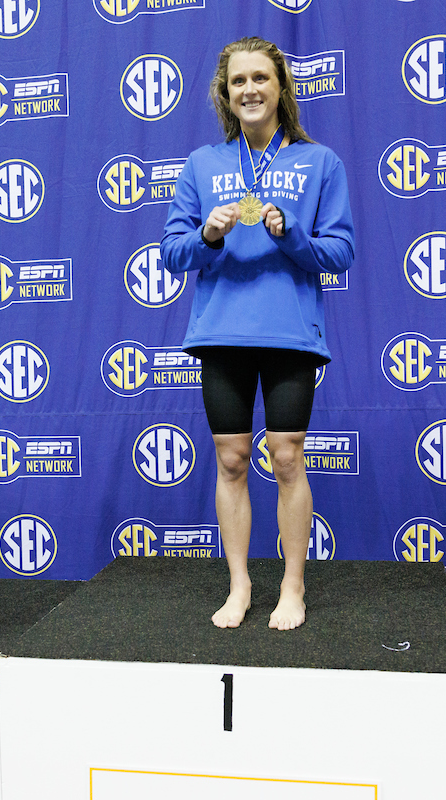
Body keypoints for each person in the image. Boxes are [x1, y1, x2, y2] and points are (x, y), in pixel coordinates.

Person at [161, 37, 354, 631]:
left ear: (280, 89)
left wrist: (290, 232)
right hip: (221, 333)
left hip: (290, 334)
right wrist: (209, 236)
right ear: (226, 92)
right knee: (231, 459)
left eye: (261, 79)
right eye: (238, 80)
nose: (249, 89)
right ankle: (241, 585)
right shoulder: (203, 164)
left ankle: (292, 586)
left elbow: (339, 252)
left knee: (288, 458)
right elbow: (173, 252)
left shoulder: (320, 163)